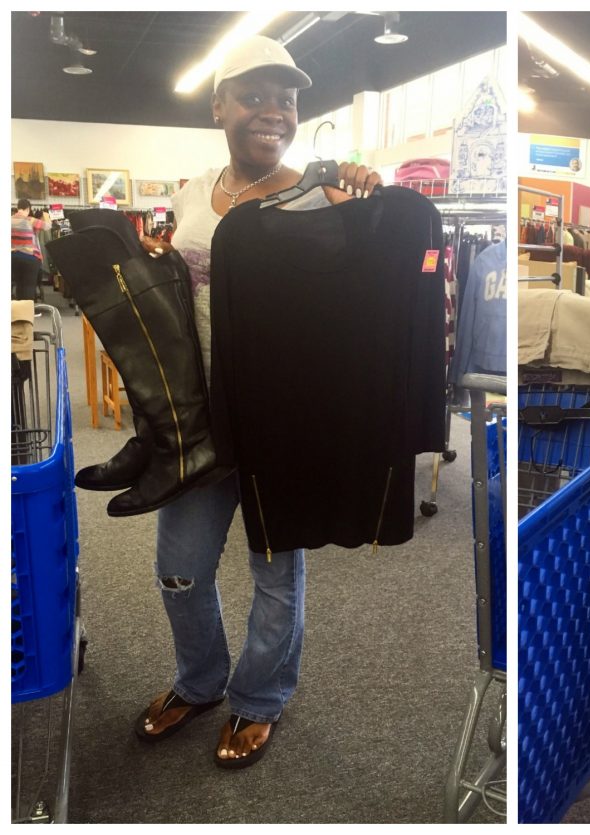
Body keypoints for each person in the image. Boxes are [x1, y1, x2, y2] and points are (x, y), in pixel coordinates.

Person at [133, 35, 382, 769]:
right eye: (255, 95)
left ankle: (260, 696)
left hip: (282, 424)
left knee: (276, 574)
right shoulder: (189, 194)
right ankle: (201, 680)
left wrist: (362, 206)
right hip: (200, 420)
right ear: (219, 107)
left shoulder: (319, 197)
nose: (273, 112)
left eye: (287, 98)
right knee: (180, 567)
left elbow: (357, 307)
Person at [11, 198, 49, 300]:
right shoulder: (31, 220)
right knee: (28, 288)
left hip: (12, 257)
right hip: (30, 258)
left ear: (18, 208)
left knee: (17, 285)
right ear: (28, 209)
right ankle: (26, 313)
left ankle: (16, 312)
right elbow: (47, 226)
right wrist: (45, 215)